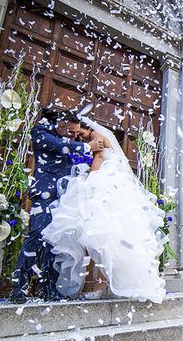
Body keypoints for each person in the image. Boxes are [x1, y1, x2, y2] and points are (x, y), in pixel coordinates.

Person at [41, 117, 167, 302]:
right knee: (109, 236)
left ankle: (101, 284)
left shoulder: (96, 135)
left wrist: (90, 178)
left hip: (104, 184)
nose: (81, 138)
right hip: (115, 184)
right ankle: (112, 284)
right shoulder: (95, 138)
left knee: (100, 233)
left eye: (82, 133)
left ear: (88, 127)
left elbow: (99, 157)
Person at [9, 109, 102, 303]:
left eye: (77, 134)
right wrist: (87, 147)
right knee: (36, 238)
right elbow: (60, 146)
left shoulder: (67, 138)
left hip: (63, 196)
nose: (75, 136)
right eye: (71, 132)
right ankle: (19, 288)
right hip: (45, 196)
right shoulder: (41, 132)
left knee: (53, 243)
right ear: (60, 124)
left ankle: (49, 288)